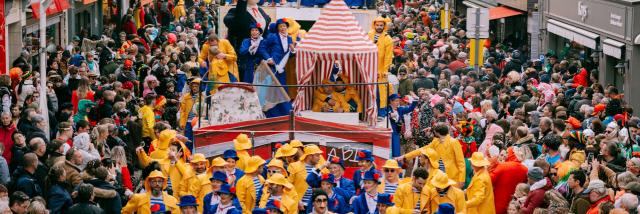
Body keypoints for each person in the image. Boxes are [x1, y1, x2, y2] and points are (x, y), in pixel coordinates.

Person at [398, 123, 466, 187]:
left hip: (452, 178)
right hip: (437, 177)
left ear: (437, 132)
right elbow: (421, 150)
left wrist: (461, 179)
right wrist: (405, 156)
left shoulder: (454, 142)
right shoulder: (436, 142)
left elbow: (461, 162)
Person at [368, 17, 393, 116]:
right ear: (374, 25)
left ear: (384, 26)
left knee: (381, 93)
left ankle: (381, 113)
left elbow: (388, 56)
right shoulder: (369, 35)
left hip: (381, 70)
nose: (379, 27)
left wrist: (385, 70)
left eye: (381, 25)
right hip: (369, 68)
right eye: (377, 25)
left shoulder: (388, 38)